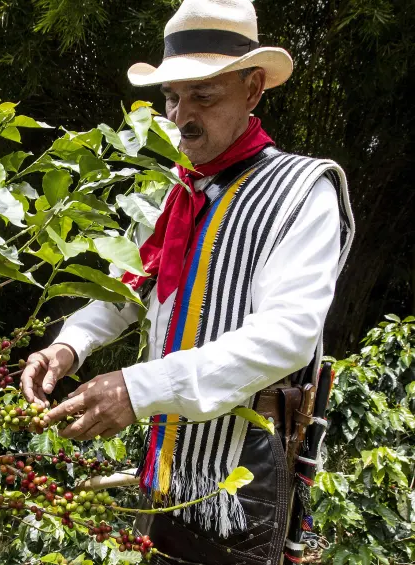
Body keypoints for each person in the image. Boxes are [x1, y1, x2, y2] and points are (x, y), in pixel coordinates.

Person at [20, 0, 355, 562]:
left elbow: (288, 335)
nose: (180, 116)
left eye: (204, 96)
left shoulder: (302, 190)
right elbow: (130, 284)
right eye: (173, 97)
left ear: (252, 90)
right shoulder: (175, 191)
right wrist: (69, 344)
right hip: (169, 449)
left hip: (244, 466)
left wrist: (138, 388)